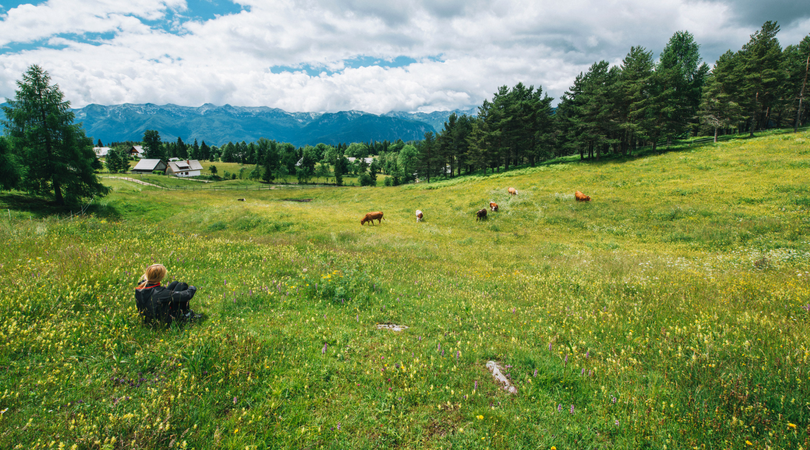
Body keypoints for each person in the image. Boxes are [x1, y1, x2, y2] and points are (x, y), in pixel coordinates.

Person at [135, 263, 202, 323]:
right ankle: (186, 315)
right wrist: (192, 288)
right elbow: (186, 295)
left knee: (175, 284)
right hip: (163, 320)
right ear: (161, 276)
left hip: (148, 318)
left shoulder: (141, 288)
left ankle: (185, 313)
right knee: (182, 285)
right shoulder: (160, 292)